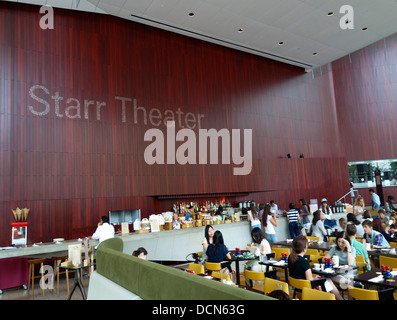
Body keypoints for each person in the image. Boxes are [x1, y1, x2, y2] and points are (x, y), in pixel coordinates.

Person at [287, 235, 343, 300]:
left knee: (327, 282)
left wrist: (314, 278)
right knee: (328, 281)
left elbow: (304, 279)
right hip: (309, 293)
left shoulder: (290, 258)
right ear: (304, 249)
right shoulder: (304, 263)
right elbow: (310, 282)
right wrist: (314, 279)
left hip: (298, 292)